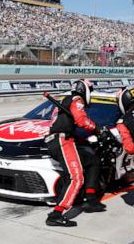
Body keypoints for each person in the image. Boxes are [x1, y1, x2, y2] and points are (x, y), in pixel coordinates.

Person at [45, 79, 105, 227]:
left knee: (92, 161)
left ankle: (90, 198)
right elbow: (81, 120)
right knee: (76, 178)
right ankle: (56, 214)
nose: (90, 94)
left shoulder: (64, 101)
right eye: (90, 91)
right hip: (63, 141)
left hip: (58, 139)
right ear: (84, 90)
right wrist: (98, 129)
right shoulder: (76, 99)